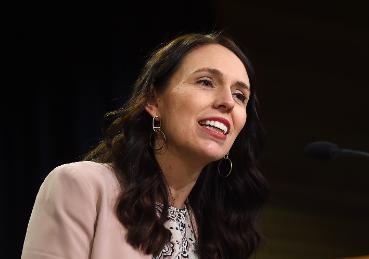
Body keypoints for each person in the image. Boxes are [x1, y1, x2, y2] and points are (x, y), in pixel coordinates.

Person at [21, 32, 269, 259]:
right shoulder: (82, 186)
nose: (227, 101)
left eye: (240, 96)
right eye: (205, 82)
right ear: (153, 100)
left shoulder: (219, 233)